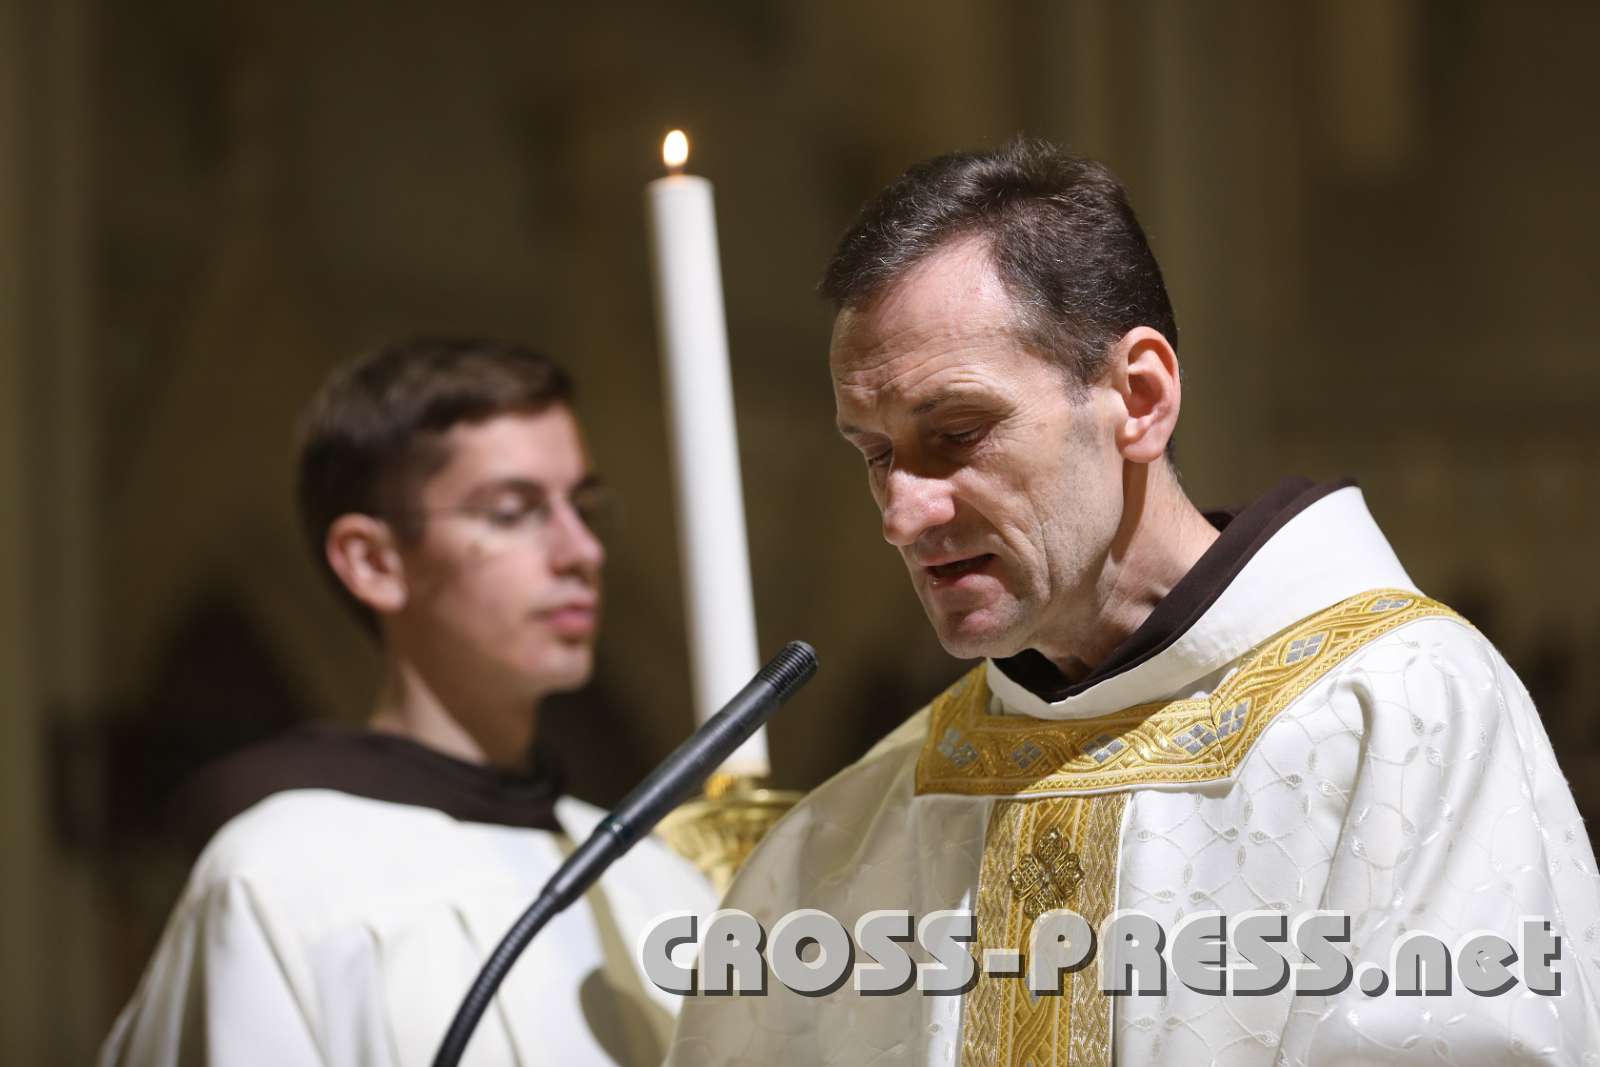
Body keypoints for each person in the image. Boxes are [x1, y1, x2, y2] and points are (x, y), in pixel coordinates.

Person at [665, 141, 1600, 1065]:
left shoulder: (1401, 713)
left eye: (956, 433)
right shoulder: (853, 832)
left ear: (1139, 398)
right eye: (875, 453)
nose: (902, 516)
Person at [102, 337, 714, 1066]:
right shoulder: (281, 877)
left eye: (582, 505)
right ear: (374, 562)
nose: (582, 550)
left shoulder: (658, 882)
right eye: (512, 511)